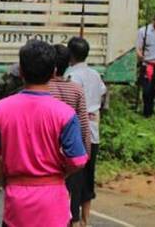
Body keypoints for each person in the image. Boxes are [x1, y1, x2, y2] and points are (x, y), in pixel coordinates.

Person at [0, 40, 88, 227]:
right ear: (54, 72)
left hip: (17, 203)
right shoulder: (65, 114)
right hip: (53, 201)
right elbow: (78, 160)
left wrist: (5, 182)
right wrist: (60, 176)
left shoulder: (0, 109)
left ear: (21, 72)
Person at [66, 37, 106, 227]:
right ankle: (85, 219)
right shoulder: (95, 74)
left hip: (77, 129)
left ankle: (72, 217)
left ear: (70, 55)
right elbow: (102, 92)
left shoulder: (71, 75)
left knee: (74, 176)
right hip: (93, 128)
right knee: (89, 174)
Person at [51, 44, 92, 227]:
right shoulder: (76, 90)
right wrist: (86, 154)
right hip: (72, 154)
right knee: (71, 200)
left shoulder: (45, 89)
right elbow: (84, 125)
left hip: (50, 153)